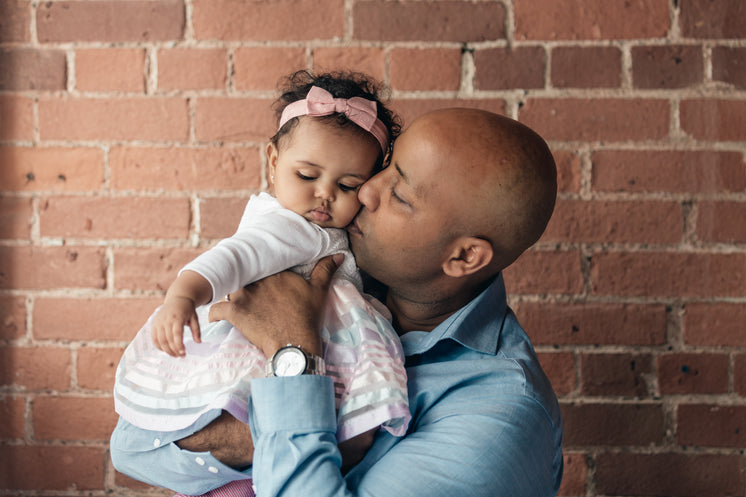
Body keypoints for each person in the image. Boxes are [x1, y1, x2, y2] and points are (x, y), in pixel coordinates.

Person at [111, 107, 564, 496]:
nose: (364, 191)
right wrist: (282, 433)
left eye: (400, 195)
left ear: (464, 256)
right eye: (385, 167)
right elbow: (131, 446)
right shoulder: (325, 278)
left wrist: (292, 354)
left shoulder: (496, 419)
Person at [111, 71, 411, 485]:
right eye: (307, 176)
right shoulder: (290, 227)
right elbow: (235, 256)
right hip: (273, 345)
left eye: (347, 185)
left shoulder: (321, 227)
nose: (324, 194)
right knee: (330, 430)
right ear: (273, 162)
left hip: (309, 338)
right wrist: (183, 296)